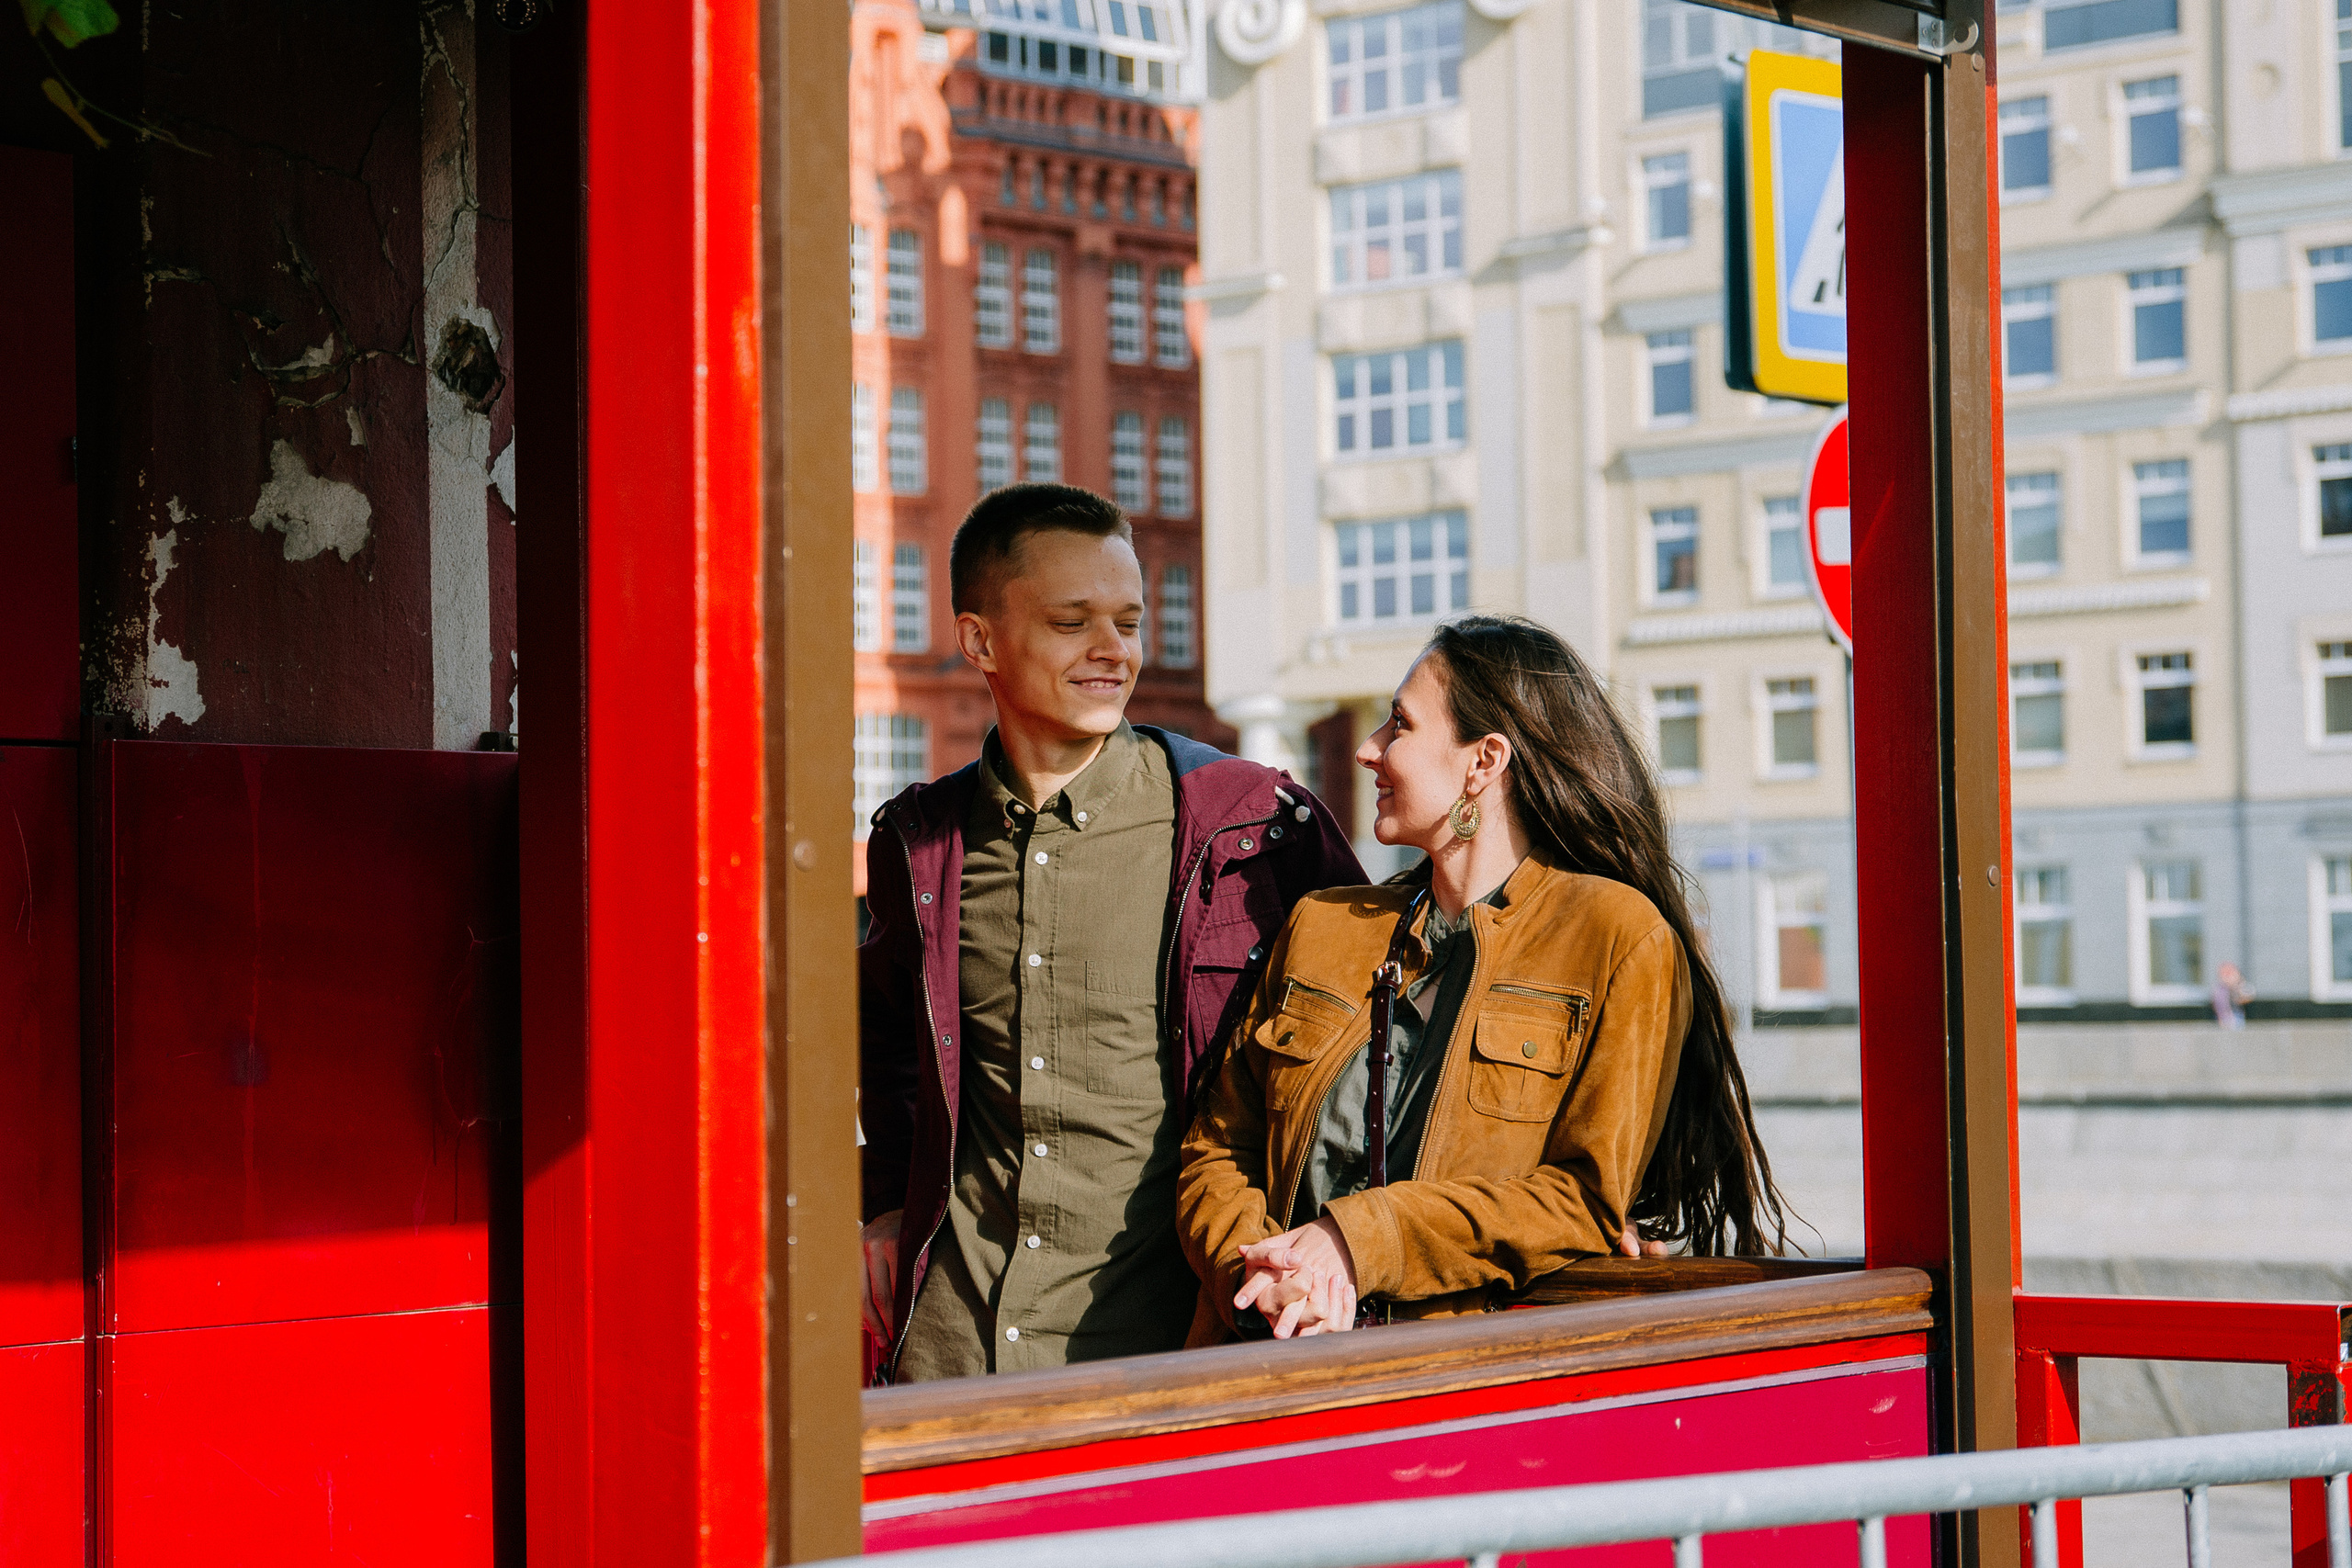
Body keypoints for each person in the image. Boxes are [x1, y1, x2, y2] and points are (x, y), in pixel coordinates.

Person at [857, 483, 1364, 1382]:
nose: (1112, 651)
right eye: (1071, 622)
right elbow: (893, 1041)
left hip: (1166, 1358)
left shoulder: (1253, 827)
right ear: (979, 640)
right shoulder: (918, 844)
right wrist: (886, 1204)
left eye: (1127, 622)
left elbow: (1387, 1039)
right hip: (949, 1357)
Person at [1177, 615, 1787, 1341]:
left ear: (1484, 759)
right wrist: (1259, 1272)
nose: (1370, 748)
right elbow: (1215, 1148)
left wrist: (1358, 1240)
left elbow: (1581, 1197)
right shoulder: (1322, 926)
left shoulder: (1617, 937)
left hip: (1460, 1386)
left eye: (1399, 724)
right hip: (1258, 1372)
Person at [2210, 962, 2254, 1031]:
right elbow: (2217, 1004)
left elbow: (2247, 997)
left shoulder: (2240, 986)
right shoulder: (2219, 989)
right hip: (2223, 1017)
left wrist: (2235, 985)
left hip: (2236, 1016)